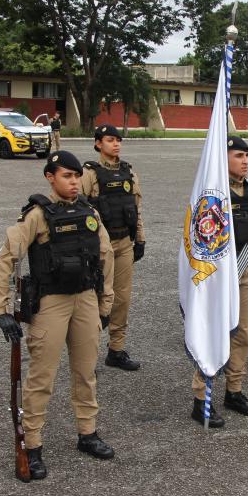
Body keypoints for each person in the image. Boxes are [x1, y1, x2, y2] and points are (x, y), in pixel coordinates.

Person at [0, 150, 116, 480]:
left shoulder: (90, 213)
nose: (74, 182)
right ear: (50, 177)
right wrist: (1, 310)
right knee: (41, 378)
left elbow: (107, 259)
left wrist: (104, 305)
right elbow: (5, 260)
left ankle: (87, 433)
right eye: (66, 177)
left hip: (86, 299)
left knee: (86, 372)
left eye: (77, 177)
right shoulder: (36, 215)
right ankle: (32, 445)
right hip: (51, 304)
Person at [190, 136, 248, 427]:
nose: (245, 160)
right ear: (223, 158)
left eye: (247, 155)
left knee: (244, 333)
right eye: (238, 155)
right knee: (214, 334)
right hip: (219, 276)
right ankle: (201, 398)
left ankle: (233, 391)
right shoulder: (214, 194)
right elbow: (200, 236)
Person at [81, 124, 145, 370]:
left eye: (118, 139)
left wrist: (140, 239)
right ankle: (89, 354)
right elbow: (80, 209)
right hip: (99, 246)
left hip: (124, 242)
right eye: (110, 139)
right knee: (97, 299)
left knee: (122, 299)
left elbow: (137, 208)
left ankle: (116, 350)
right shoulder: (90, 173)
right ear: (98, 143)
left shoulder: (129, 172)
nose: (116, 144)